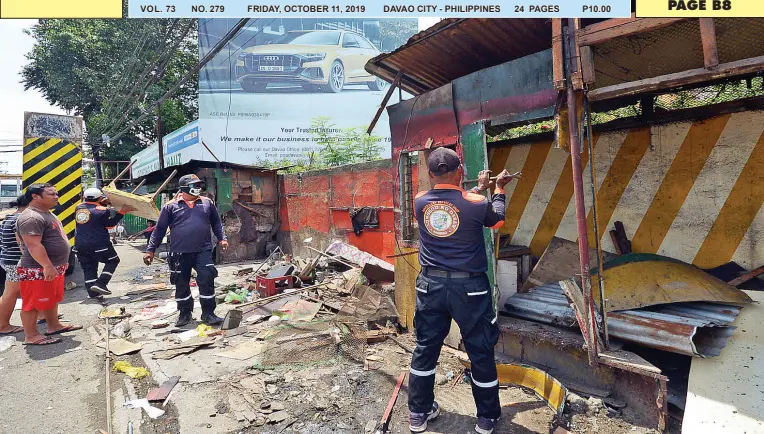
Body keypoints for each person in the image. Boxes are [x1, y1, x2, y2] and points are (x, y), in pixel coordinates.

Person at [408, 148, 518, 434]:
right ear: (461, 171)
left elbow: (453, 203)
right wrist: (498, 189)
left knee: (425, 348)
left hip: (430, 285)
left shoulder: (419, 201)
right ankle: (486, 419)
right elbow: (497, 220)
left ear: (430, 174)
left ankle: (418, 414)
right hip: (469, 288)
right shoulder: (477, 202)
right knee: (480, 350)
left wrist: (479, 189)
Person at [143, 174, 228, 327]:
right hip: (179, 253)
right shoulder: (170, 206)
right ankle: (185, 314)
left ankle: (208, 313)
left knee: (207, 279)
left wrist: (222, 238)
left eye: (199, 185)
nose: (198, 188)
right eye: (194, 185)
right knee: (181, 283)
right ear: (184, 188)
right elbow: (160, 229)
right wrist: (150, 250)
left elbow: (216, 223)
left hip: (203, 251)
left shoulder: (207, 203)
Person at [16, 183, 83, 345]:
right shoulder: (31, 217)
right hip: (37, 269)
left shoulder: (46, 214)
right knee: (32, 303)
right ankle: (31, 336)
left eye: (56, 193)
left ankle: (54, 325)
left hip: (52, 267)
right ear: (35, 197)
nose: (56, 196)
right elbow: (33, 245)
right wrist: (47, 265)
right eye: (51, 194)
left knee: (51, 299)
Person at [74, 188, 134, 300]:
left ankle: (93, 293)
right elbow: (110, 225)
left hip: (80, 245)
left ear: (84, 197)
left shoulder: (79, 207)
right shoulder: (102, 210)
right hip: (99, 244)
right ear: (100, 198)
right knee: (113, 260)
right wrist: (122, 212)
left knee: (89, 268)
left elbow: (92, 208)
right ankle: (101, 283)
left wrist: (102, 202)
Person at [0, 195, 29, 335]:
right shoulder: (20, 219)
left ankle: (42, 315)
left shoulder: (10, 217)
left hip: (8, 259)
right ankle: (2, 325)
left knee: (28, 290)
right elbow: (23, 243)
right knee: (10, 293)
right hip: (15, 261)